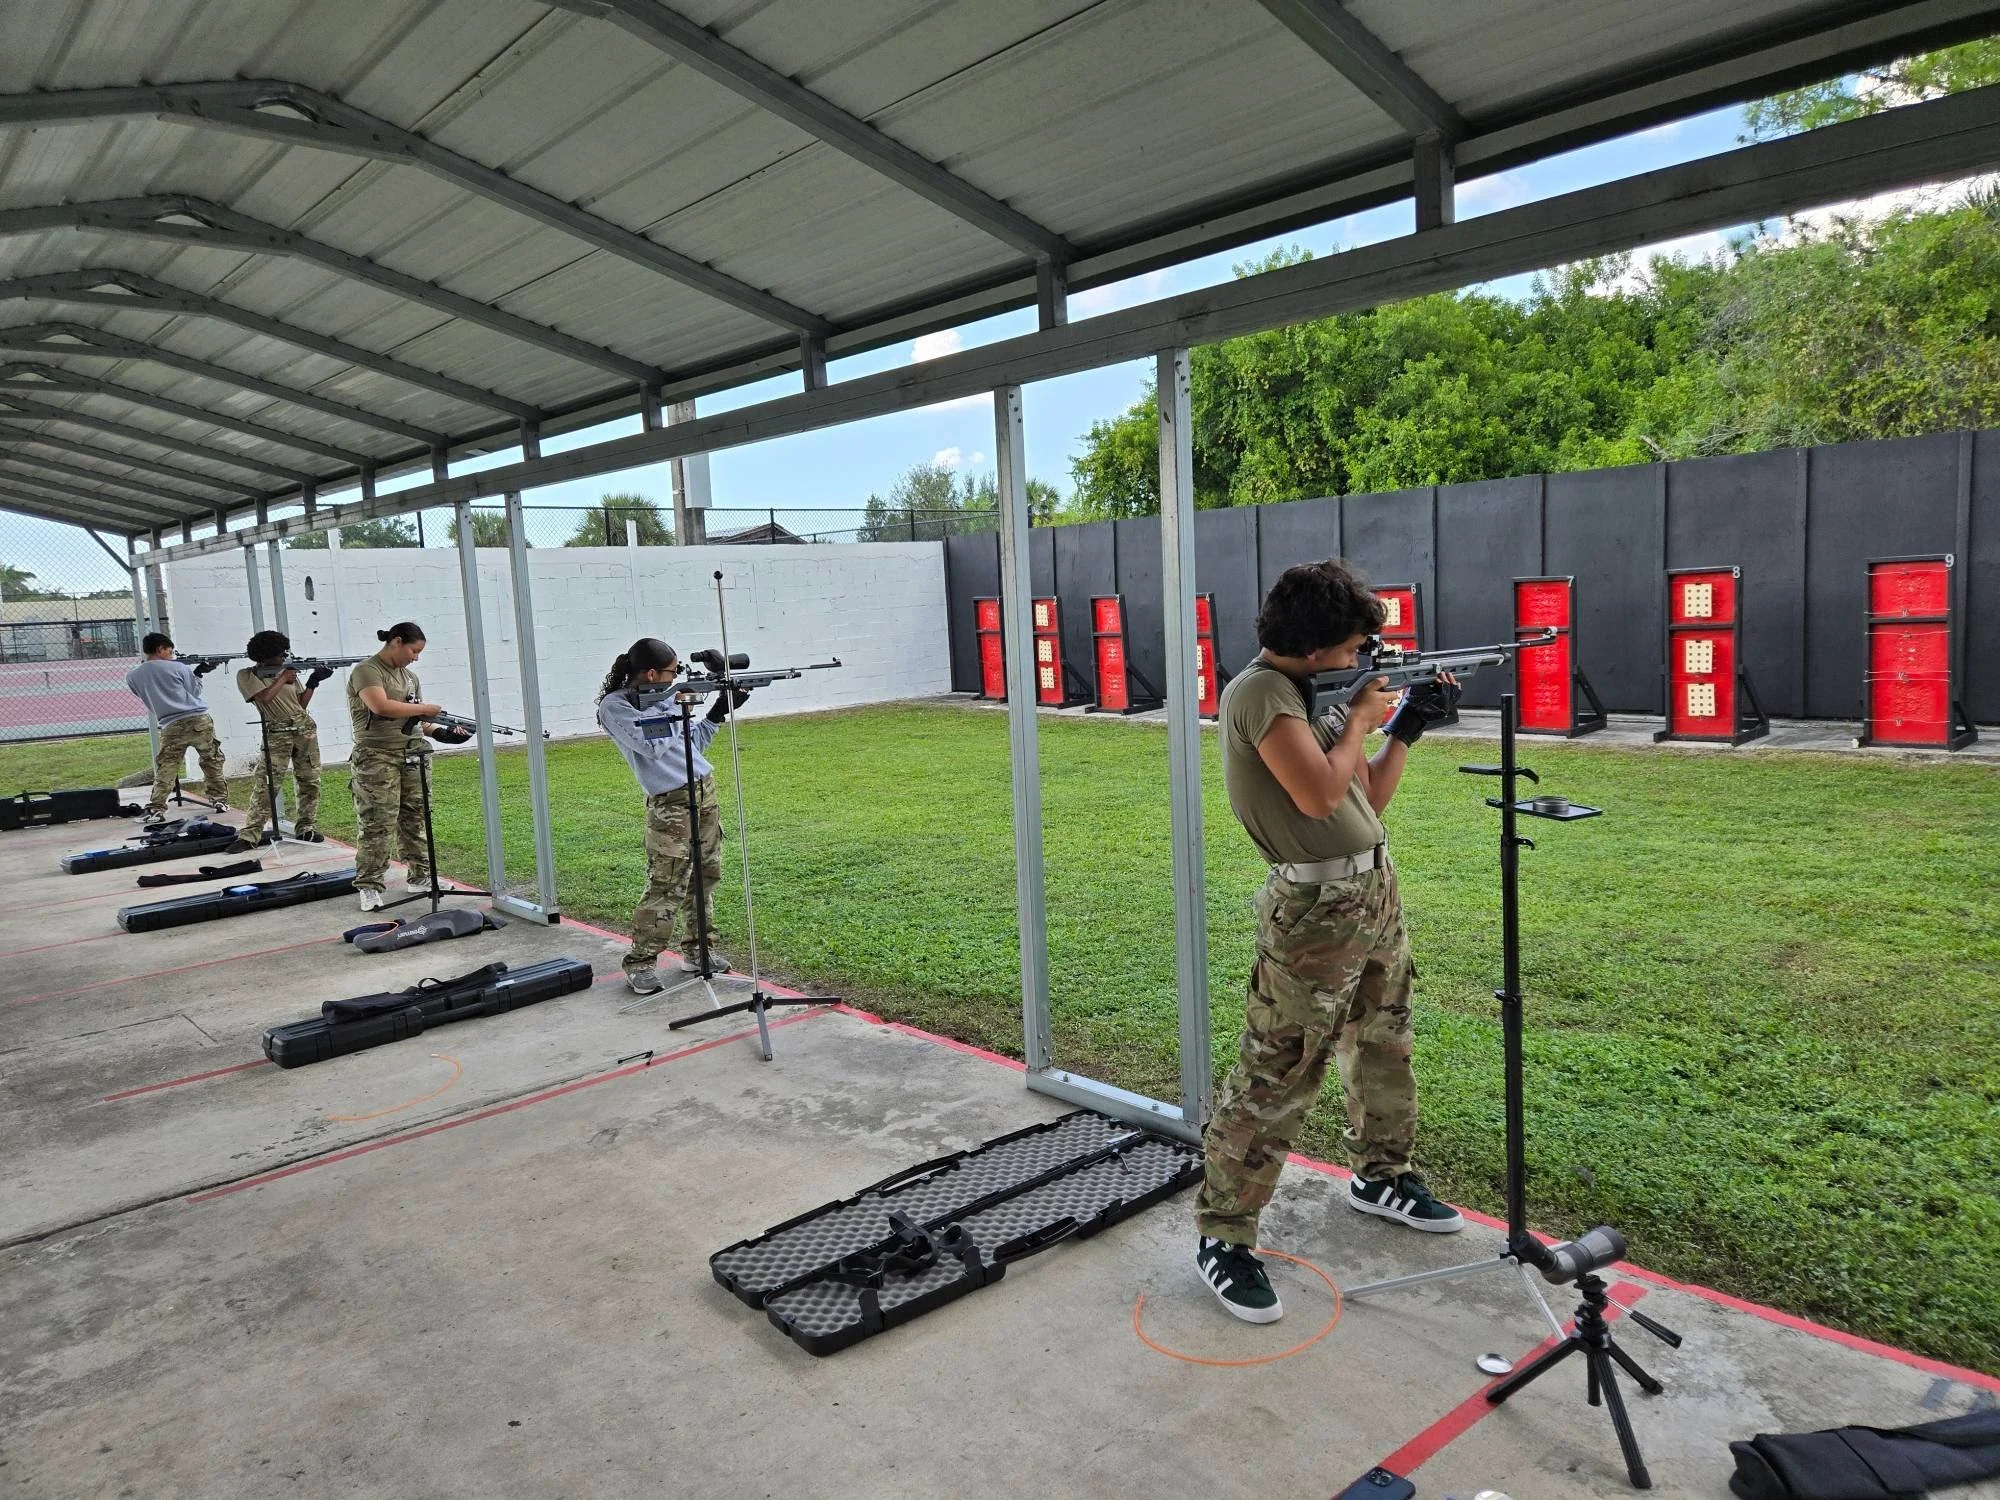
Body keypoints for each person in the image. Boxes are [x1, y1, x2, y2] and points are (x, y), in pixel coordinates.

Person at [1195, 559, 1465, 1325]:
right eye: (1352, 650)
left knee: (1384, 1041)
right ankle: (1223, 1233)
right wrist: (1359, 720)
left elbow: (1362, 797)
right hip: (1314, 908)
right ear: (1314, 649)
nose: (1360, 662)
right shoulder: (1260, 696)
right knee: (1279, 1070)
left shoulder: (1315, 693)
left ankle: (1383, 1175)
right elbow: (1315, 793)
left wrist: (1403, 728)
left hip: (1370, 889)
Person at [595, 638, 748, 995]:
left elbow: (690, 745)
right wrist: (680, 703)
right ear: (651, 674)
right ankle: (641, 962)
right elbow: (651, 745)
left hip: (703, 790)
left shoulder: (667, 702)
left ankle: (700, 951)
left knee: (704, 877)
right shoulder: (616, 707)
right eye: (672, 672)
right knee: (667, 884)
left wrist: (715, 712)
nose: (676, 676)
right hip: (669, 804)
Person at [346, 622, 455, 912]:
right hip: (376, 756)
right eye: (414, 650)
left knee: (416, 817)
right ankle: (369, 885)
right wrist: (424, 709)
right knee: (377, 821)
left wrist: (442, 731)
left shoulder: (410, 677)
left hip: (412, 754)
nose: (416, 657)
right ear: (396, 641)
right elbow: (381, 707)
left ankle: (421, 876)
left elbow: (416, 721)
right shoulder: (367, 671)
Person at [230, 630, 330, 852]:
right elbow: (264, 698)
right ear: (266, 656)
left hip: (303, 727)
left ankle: (306, 827)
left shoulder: (286, 672)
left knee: (309, 779)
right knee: (267, 783)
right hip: (276, 730)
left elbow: (300, 704)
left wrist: (313, 682)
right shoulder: (247, 675)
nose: (284, 657)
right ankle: (250, 835)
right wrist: (283, 677)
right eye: (280, 654)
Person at [125, 632, 230, 826]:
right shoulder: (179, 668)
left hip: (170, 724)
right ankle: (220, 800)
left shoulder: (133, 676)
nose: (172, 655)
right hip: (198, 720)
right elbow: (194, 691)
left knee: (167, 766)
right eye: (170, 651)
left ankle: (156, 807)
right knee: (211, 760)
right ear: (160, 649)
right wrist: (198, 673)